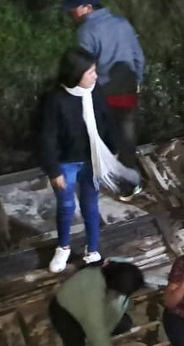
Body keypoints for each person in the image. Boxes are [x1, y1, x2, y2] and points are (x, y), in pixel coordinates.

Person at [39, 47, 138, 273]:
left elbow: (108, 119)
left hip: (92, 159)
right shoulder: (55, 100)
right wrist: (53, 171)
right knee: (65, 206)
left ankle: (92, 249)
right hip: (66, 162)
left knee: (90, 205)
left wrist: (113, 148)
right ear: (76, 74)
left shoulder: (95, 91)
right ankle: (63, 247)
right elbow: (46, 137)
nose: (95, 75)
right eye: (90, 72)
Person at [63, 0, 147, 201]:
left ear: (88, 8)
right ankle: (130, 185)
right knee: (127, 137)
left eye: (74, 8)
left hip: (102, 94)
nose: (71, 12)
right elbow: (138, 56)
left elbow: (84, 67)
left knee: (100, 138)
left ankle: (102, 181)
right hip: (128, 90)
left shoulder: (85, 32)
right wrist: (136, 80)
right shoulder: (122, 23)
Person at [48, 260, 144, 346]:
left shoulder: (114, 270)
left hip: (84, 304)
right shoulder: (92, 293)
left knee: (124, 323)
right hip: (64, 311)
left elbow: (120, 303)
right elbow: (96, 331)